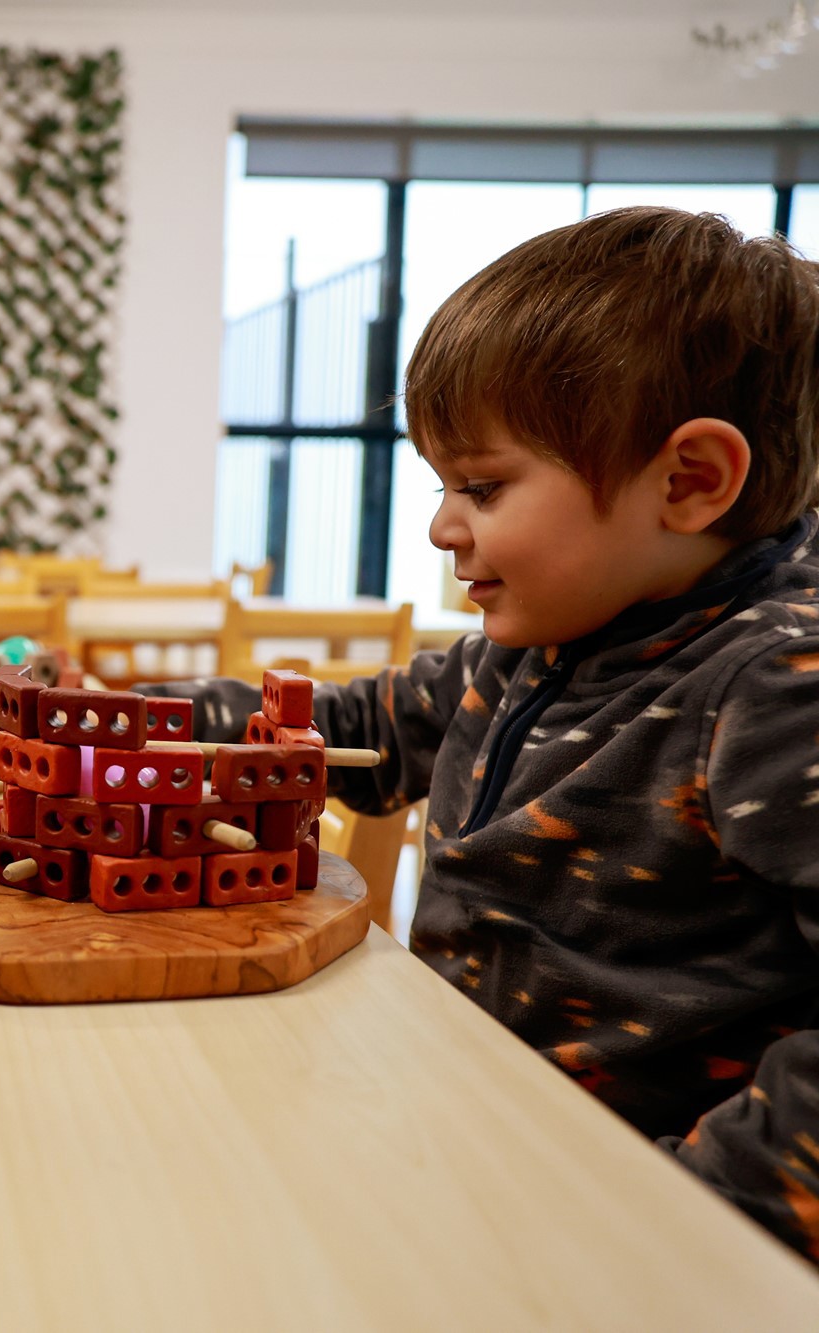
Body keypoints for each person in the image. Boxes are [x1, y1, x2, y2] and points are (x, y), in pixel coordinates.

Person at [159, 206, 819, 1260]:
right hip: (458, 1130)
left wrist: (692, 1211)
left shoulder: (776, 687)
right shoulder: (533, 643)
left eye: (481, 486)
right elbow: (349, 729)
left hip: (613, 1227)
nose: (440, 526)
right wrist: (146, 717)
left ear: (689, 481)